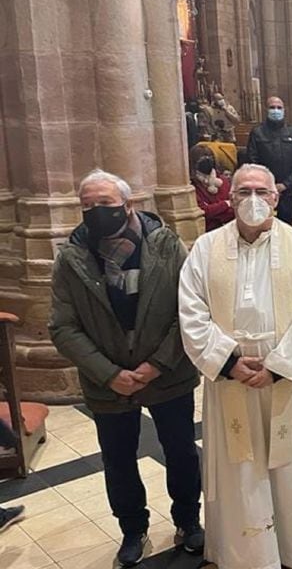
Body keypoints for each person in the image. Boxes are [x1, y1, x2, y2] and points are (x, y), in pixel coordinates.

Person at [178, 164, 292, 569]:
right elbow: (191, 311)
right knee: (240, 468)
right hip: (232, 375)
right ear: (230, 199)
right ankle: (247, 554)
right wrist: (228, 362)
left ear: (276, 198)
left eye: (261, 192)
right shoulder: (205, 249)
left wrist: (280, 365)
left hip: (286, 375)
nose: (253, 199)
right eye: (244, 191)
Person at [49, 170, 203, 567]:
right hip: (108, 382)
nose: (96, 212)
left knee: (182, 451)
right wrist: (108, 373)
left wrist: (157, 363)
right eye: (87, 205)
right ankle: (133, 529)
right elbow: (63, 327)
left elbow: (190, 310)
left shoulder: (166, 245)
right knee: (118, 460)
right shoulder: (71, 258)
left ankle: (188, 519)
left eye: (105, 204)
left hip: (167, 373)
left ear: (127, 205)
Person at [246, 96, 292, 224]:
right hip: (265, 190)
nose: (276, 110)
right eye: (272, 107)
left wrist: (285, 184)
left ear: (284, 110)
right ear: (265, 109)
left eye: (279, 108)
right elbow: (253, 161)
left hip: (289, 192)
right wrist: (270, 184)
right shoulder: (257, 133)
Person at [190, 145, 234, 231]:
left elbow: (233, 208)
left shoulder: (223, 181)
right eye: (202, 160)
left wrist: (214, 211)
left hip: (228, 227)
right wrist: (225, 204)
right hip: (207, 230)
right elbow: (203, 211)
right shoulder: (192, 186)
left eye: (210, 158)